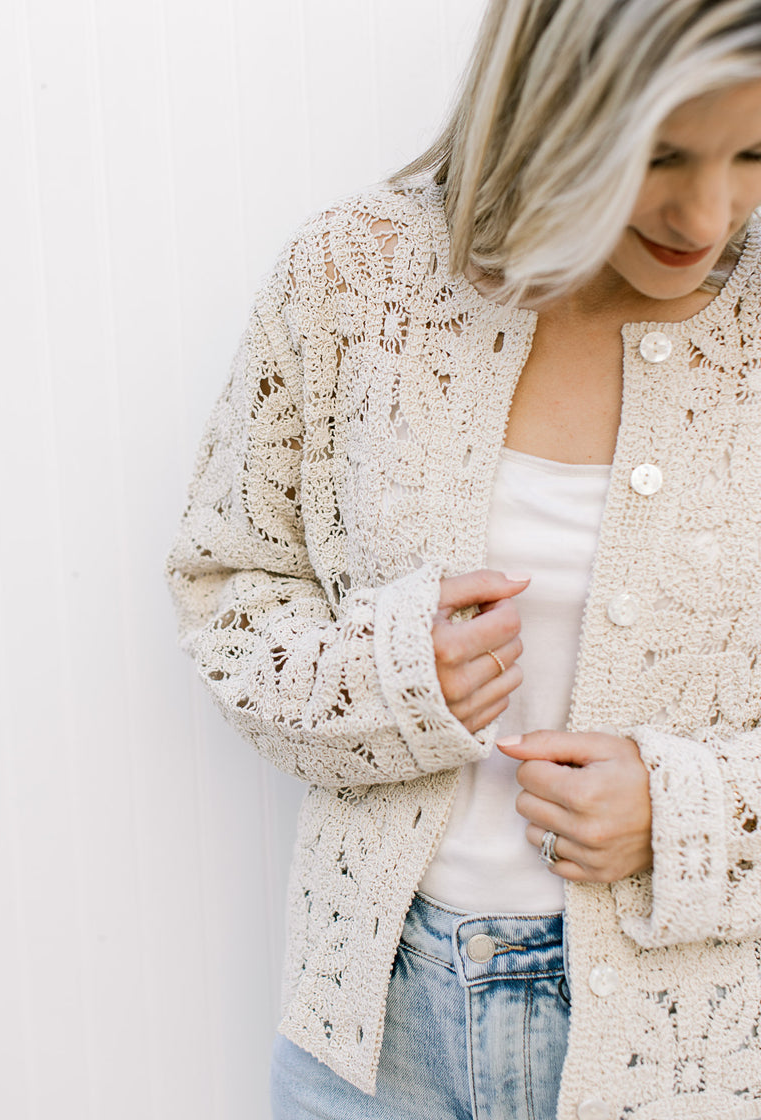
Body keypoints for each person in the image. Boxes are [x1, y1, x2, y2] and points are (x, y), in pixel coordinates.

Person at [166, 2, 761, 1117]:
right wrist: (390, 678)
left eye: (754, 152)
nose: (709, 210)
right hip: (370, 1031)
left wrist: (683, 809)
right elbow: (224, 587)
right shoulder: (354, 277)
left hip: (693, 1059)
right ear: (550, 105)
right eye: (660, 153)